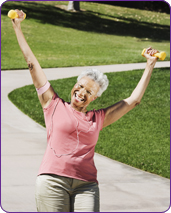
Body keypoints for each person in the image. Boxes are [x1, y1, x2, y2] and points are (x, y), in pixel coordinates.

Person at [11, 10, 158, 212]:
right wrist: (17, 26)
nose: (81, 93)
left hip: (86, 185)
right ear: (74, 84)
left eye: (88, 91)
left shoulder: (98, 118)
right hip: (52, 182)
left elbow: (133, 100)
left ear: (95, 98)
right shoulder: (52, 104)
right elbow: (31, 64)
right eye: (79, 86)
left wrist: (150, 65)